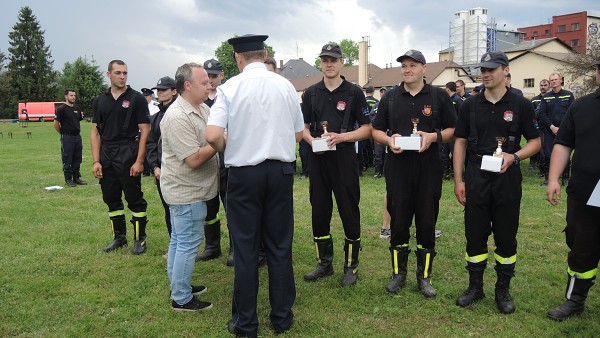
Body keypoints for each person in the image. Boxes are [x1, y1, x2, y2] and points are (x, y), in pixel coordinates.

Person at [206, 34, 303, 337]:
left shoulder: (230, 87)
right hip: (279, 172)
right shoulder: (285, 85)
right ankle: (282, 316)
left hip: (244, 175)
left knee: (246, 249)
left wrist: (228, 142)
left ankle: (246, 322)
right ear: (264, 54)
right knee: (279, 244)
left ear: (238, 58)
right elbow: (299, 134)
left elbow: (212, 135)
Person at [453, 51, 541, 314]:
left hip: (507, 178)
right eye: (483, 69)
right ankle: (475, 287)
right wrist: (458, 179)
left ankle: (502, 289)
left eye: (491, 69)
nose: (486, 74)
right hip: (476, 175)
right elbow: (459, 142)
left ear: (505, 70)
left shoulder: (521, 104)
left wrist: (515, 157)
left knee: (505, 237)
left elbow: (536, 142)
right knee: (475, 235)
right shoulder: (470, 104)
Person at [372, 49, 456, 298]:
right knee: (398, 223)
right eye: (404, 66)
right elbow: (376, 131)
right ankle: (399, 274)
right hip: (398, 169)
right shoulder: (389, 97)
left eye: (412, 65)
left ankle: (424, 276)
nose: (407, 70)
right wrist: (389, 140)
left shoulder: (439, 96)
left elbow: (454, 129)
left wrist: (432, 137)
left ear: (423, 68)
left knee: (427, 223)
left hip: (428, 169)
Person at [301, 42, 371, 287]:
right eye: (325, 60)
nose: (329, 64)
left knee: (349, 211)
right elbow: (304, 127)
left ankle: (351, 266)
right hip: (319, 159)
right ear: (321, 63)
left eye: (333, 60)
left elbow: (367, 128)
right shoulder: (311, 93)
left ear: (341, 63)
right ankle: (324, 263)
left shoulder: (353, 92)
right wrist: (310, 140)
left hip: (343, 158)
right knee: (319, 211)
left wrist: (343, 137)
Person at [160, 62, 218, 312]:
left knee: (178, 240)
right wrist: (218, 142)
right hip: (186, 192)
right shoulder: (176, 117)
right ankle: (181, 298)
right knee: (188, 242)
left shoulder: (200, 108)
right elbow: (193, 159)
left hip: (192, 191)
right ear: (187, 85)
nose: (210, 85)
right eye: (204, 82)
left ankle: (179, 285)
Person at [546, 60, 600, 321]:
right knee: (581, 246)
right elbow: (563, 144)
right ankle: (574, 301)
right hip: (585, 192)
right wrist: (554, 178)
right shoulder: (581, 106)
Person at [91, 60, 150, 255]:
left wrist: (140, 161)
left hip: (128, 151)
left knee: (135, 198)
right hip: (106, 153)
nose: (122, 76)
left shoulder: (137, 99)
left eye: (125, 73)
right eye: (118, 73)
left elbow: (145, 131)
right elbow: (95, 132)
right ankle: (119, 237)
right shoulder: (100, 100)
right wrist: (96, 160)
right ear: (108, 74)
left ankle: (140, 239)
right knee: (111, 197)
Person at [196, 58, 227, 264]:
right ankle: (212, 246)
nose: (211, 81)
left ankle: (235, 247)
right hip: (206, 158)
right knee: (209, 206)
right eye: (208, 78)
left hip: (226, 157)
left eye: (214, 76)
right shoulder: (199, 100)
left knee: (231, 204)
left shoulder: (228, 96)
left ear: (222, 75)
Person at [146, 76, 178, 242]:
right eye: (158, 90)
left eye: (164, 89)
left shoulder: (180, 112)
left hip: (179, 169)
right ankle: (174, 244)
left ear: (174, 91)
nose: (160, 93)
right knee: (168, 209)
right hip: (161, 171)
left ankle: (182, 247)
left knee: (180, 210)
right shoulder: (156, 117)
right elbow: (151, 144)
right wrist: (154, 167)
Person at [537, 72, 575, 186]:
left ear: (560, 81)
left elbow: (571, 113)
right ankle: (549, 178)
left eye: (555, 79)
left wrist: (562, 128)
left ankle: (565, 178)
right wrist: (552, 127)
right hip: (549, 131)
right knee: (548, 154)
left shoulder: (568, 95)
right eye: (551, 80)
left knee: (565, 153)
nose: (553, 81)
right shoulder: (546, 97)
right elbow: (542, 114)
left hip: (565, 131)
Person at [54, 89, 86, 187]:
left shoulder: (77, 108)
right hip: (67, 137)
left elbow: (79, 119)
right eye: (71, 95)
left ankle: (76, 178)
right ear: (66, 97)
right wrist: (63, 133)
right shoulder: (61, 109)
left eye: (74, 95)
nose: (73, 97)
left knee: (77, 157)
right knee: (67, 158)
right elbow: (55, 124)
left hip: (77, 137)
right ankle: (68, 179)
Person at [442, 81, 463, 180]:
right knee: (444, 152)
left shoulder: (458, 100)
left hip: (455, 132)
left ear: (448, 89)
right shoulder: (448, 100)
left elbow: (461, 116)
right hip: (446, 130)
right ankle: (446, 171)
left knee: (455, 152)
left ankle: (456, 172)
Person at [529, 79, 550, 172]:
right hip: (536, 126)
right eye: (541, 85)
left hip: (547, 127)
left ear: (549, 86)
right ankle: (533, 162)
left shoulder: (550, 98)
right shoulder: (534, 100)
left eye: (545, 85)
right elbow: (531, 113)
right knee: (534, 144)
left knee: (545, 147)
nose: (543, 87)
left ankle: (544, 165)